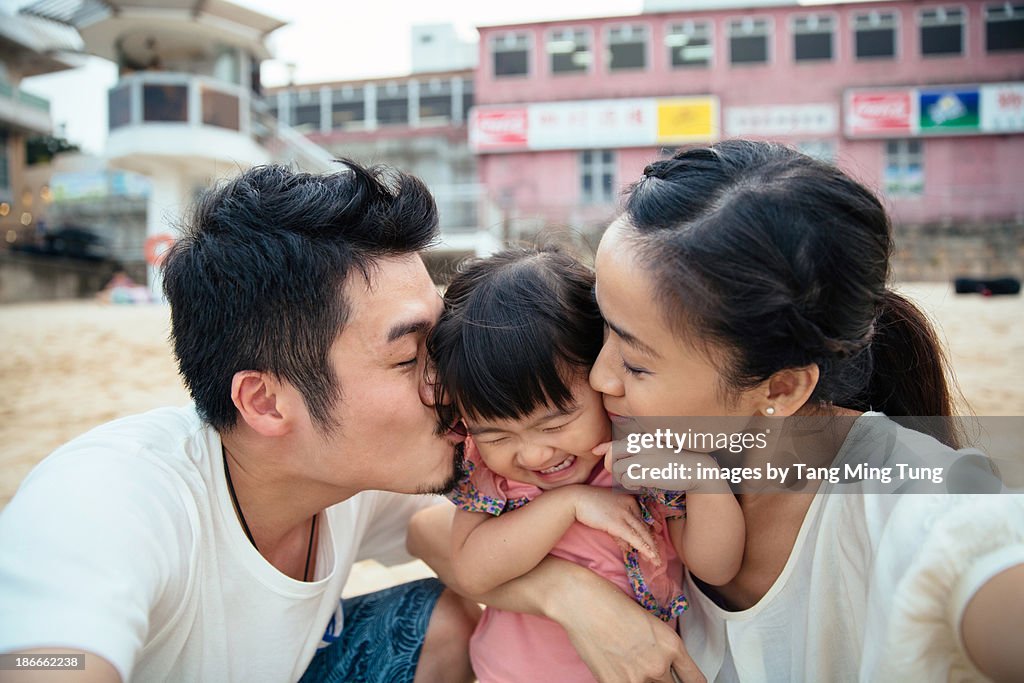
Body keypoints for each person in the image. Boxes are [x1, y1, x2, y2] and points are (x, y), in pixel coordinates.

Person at [0, 161, 482, 682]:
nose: (452, 381)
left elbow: (437, 527)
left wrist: (561, 594)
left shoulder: (344, 475)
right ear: (266, 402)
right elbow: (40, 661)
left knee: (441, 623)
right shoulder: (107, 499)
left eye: (442, 342)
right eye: (410, 357)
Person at [587, 140, 1024, 681]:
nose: (597, 377)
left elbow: (979, 551)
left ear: (780, 389)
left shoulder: (905, 500)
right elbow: (457, 523)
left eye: (634, 363)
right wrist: (572, 599)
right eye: (599, 324)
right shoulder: (612, 446)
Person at [427, 247, 745, 682]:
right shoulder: (494, 476)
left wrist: (704, 481)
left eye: (556, 423)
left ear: (601, 377)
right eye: (498, 435)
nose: (534, 454)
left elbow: (715, 566)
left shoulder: (638, 461)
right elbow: (472, 570)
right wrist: (569, 504)